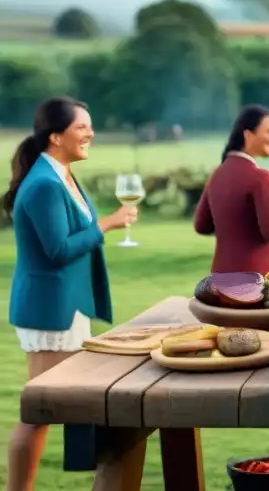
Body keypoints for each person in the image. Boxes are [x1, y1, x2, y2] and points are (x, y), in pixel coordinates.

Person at [3, 97, 138, 491]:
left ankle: (87, 474)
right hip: (49, 312)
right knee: (41, 411)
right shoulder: (45, 183)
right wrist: (109, 224)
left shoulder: (61, 175)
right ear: (56, 136)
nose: (90, 134)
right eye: (82, 127)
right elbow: (58, 249)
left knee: (73, 403)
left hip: (67, 307)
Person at [193, 105, 269, 274]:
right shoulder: (260, 177)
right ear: (248, 135)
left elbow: (202, 226)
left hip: (219, 280)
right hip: (258, 282)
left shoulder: (217, 173)